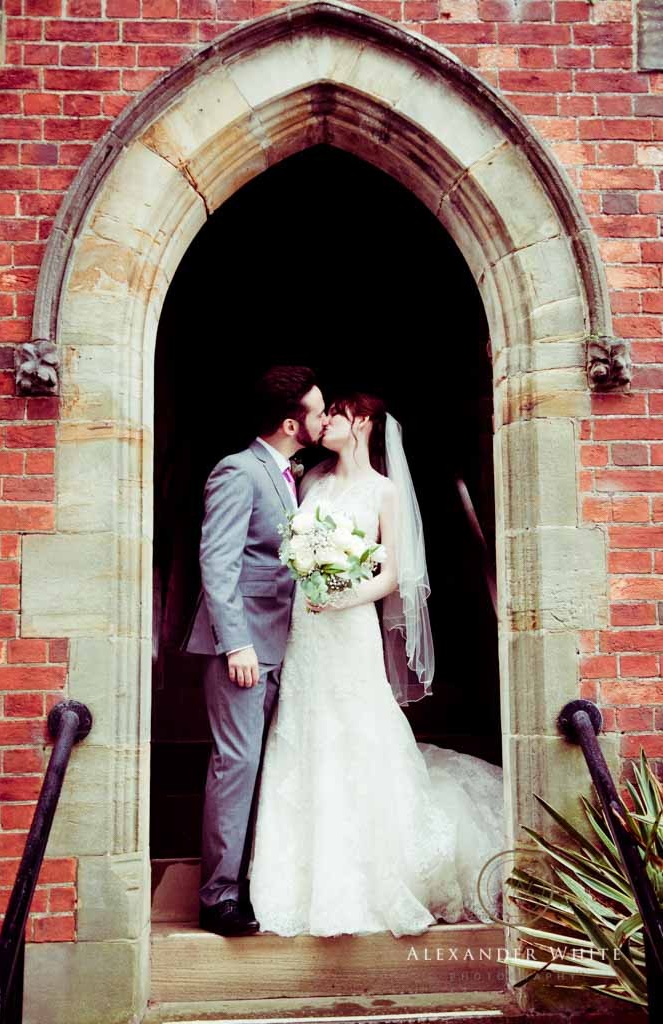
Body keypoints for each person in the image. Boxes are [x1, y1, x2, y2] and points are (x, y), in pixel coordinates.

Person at [247, 392, 505, 938]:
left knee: (358, 731)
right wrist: (310, 583)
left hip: (349, 625)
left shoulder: (383, 491)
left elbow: (394, 575)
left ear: (361, 422)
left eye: (335, 415)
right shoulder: (311, 480)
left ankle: (377, 874)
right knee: (303, 733)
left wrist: (342, 594)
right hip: (306, 629)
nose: (325, 423)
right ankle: (300, 877)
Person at [181, 366, 328, 936]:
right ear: (293, 423)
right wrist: (235, 643)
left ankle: (255, 878)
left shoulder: (292, 475)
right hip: (243, 649)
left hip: (287, 643)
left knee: (271, 763)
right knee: (237, 763)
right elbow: (218, 565)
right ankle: (218, 897)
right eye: (317, 411)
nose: (324, 418)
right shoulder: (238, 472)